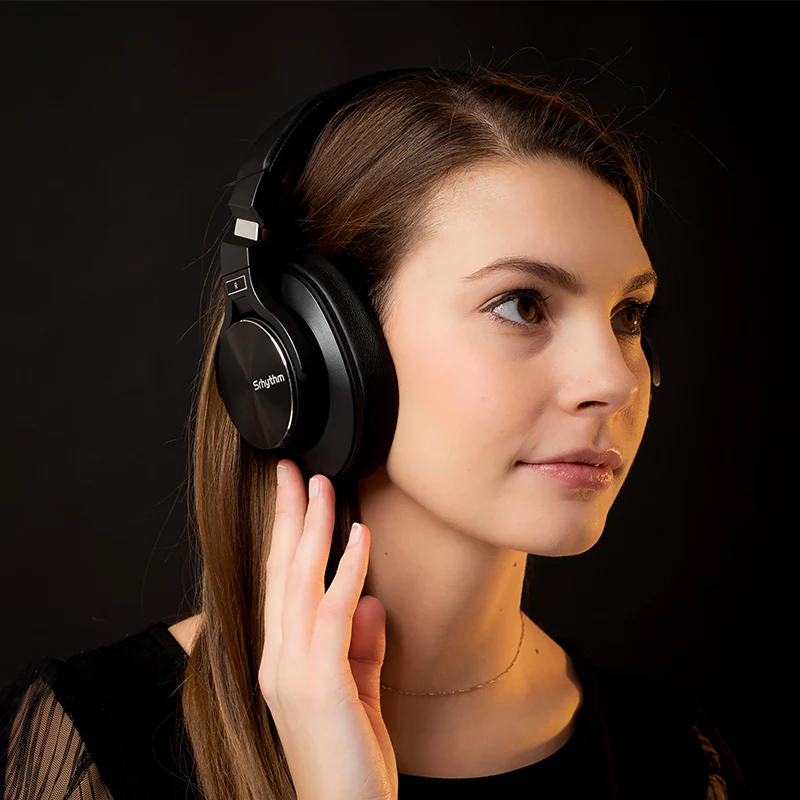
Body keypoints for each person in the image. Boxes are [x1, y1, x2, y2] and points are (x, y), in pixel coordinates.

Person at [0, 66, 750, 800]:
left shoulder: (677, 758)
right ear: (319, 355)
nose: (616, 380)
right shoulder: (98, 746)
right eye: (522, 304)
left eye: (628, 317)